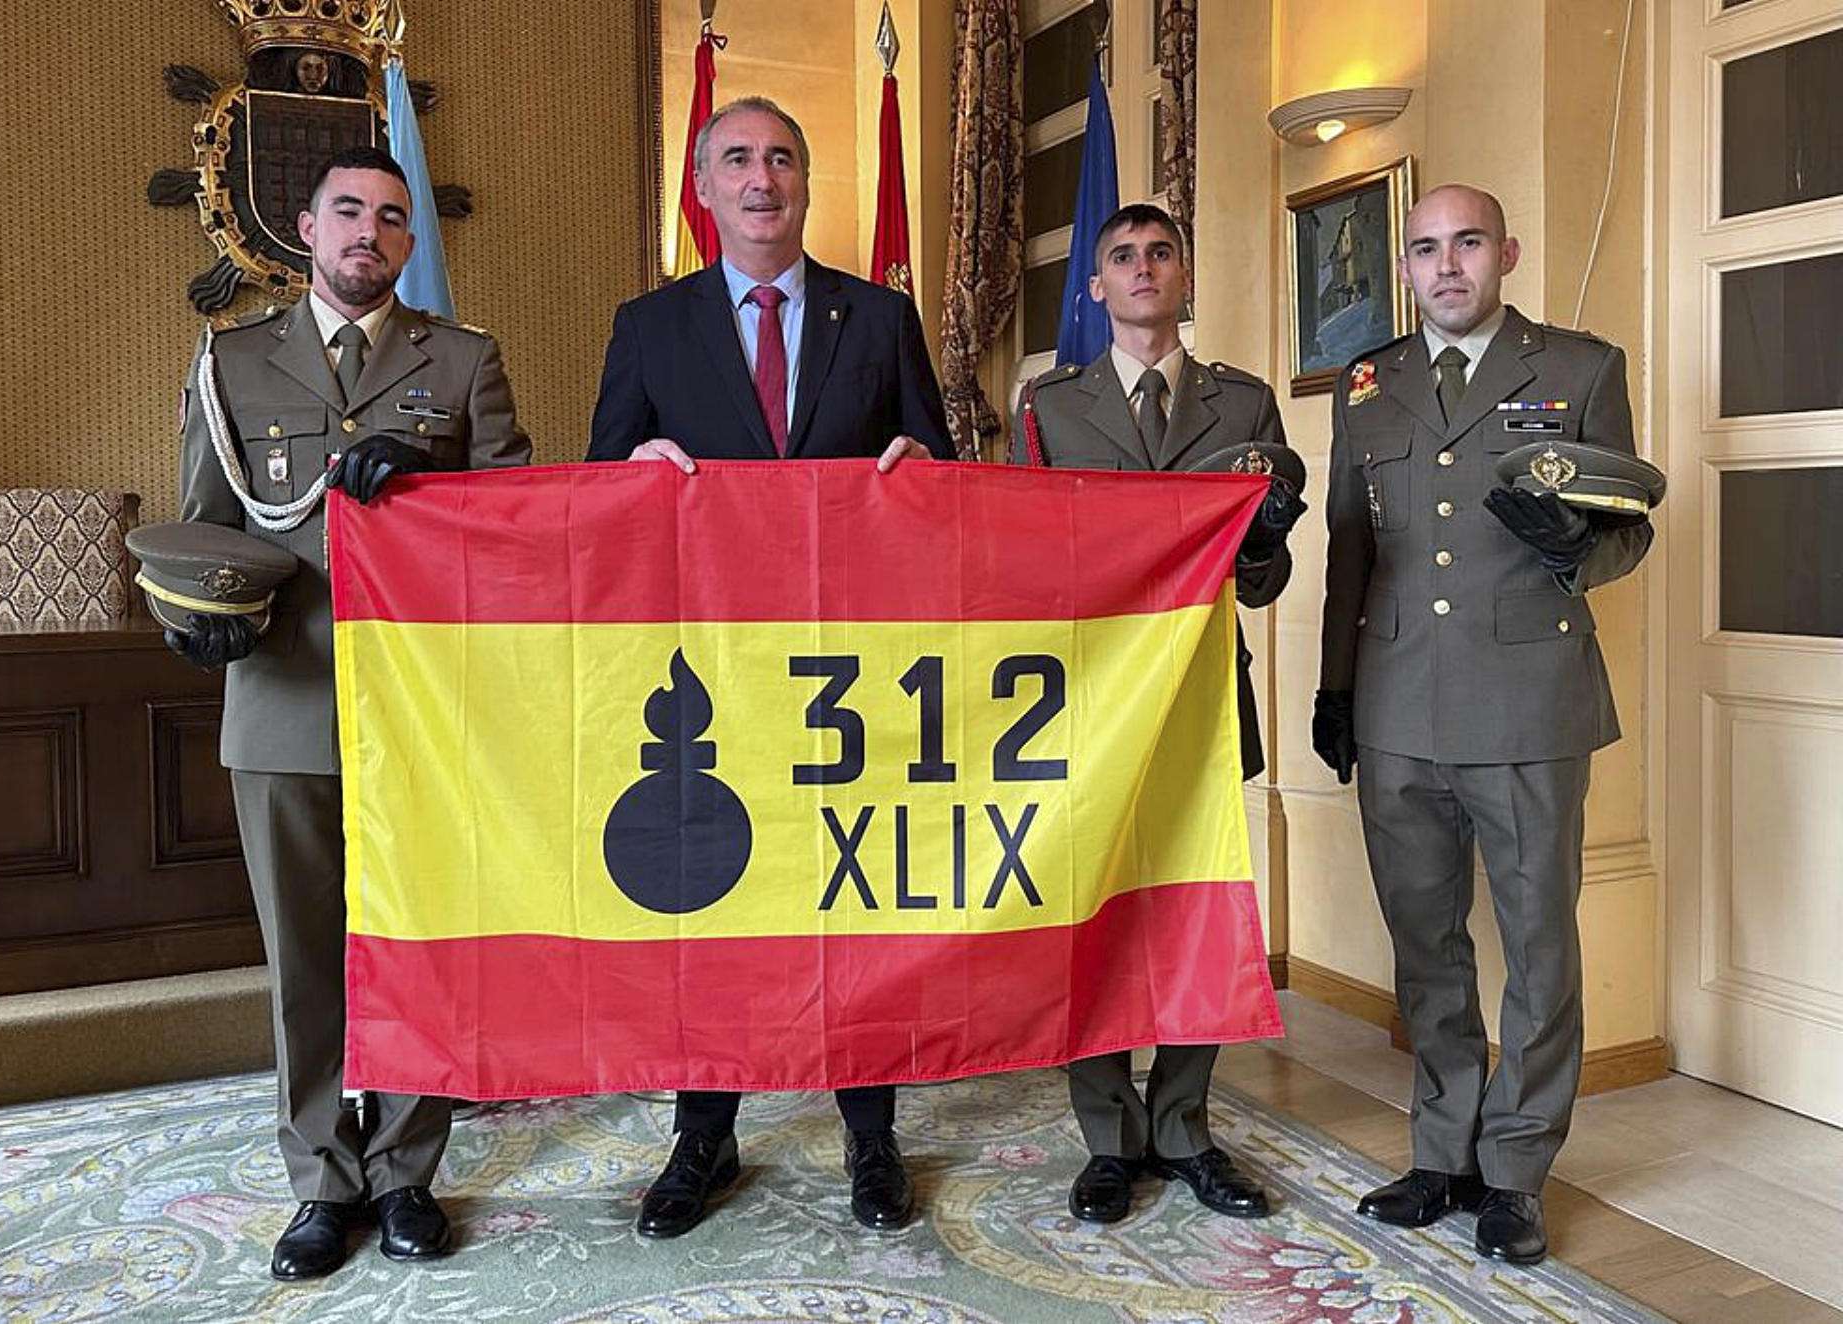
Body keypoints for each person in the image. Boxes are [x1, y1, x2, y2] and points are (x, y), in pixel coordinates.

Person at [588, 95, 953, 1238]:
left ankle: (872, 1129)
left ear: (806, 182)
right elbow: (599, 493)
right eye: (737, 159)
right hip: (712, 678)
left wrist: (920, 467)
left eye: (782, 157)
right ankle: (705, 1133)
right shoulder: (649, 326)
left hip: (851, 675)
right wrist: (632, 468)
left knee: (858, 896)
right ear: (704, 187)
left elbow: (940, 467)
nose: (762, 177)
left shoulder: (882, 317)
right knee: (716, 905)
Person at [172, 144, 530, 1281]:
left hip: (425, 706)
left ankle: (406, 1171)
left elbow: (515, 526)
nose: (366, 232)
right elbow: (201, 530)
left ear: (409, 242)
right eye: (346, 213)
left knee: (420, 946)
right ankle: (323, 1181)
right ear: (306, 229)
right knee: (308, 961)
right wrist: (196, 624)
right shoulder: (234, 362)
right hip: (281, 700)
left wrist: (425, 487)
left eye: (388, 217)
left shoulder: (462, 361)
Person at [1312, 184, 1654, 1264]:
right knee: (1427, 948)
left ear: (1505, 250)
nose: (1447, 264)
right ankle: (1443, 1150)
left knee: (1540, 950)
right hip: (1398, 702)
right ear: (1402, 267)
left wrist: (1573, 545)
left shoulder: (1578, 368)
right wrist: (1335, 689)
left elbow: (1624, 535)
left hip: (1527, 702)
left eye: (1466, 243)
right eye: (1424, 248)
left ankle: (1514, 1170)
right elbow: (1349, 549)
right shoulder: (1368, 384)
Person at [1008, 202, 1305, 1225]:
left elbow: (1263, 578)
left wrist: (1263, 538)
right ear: (1097, 288)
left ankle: (1184, 1125)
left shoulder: (1246, 402)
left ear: (1185, 275)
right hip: (1090, 700)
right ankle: (1106, 1132)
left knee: (1197, 912)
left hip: (1205, 695)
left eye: (1160, 253)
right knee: (1092, 913)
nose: (1142, 269)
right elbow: (1023, 564)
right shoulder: (1049, 405)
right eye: (1123, 258)